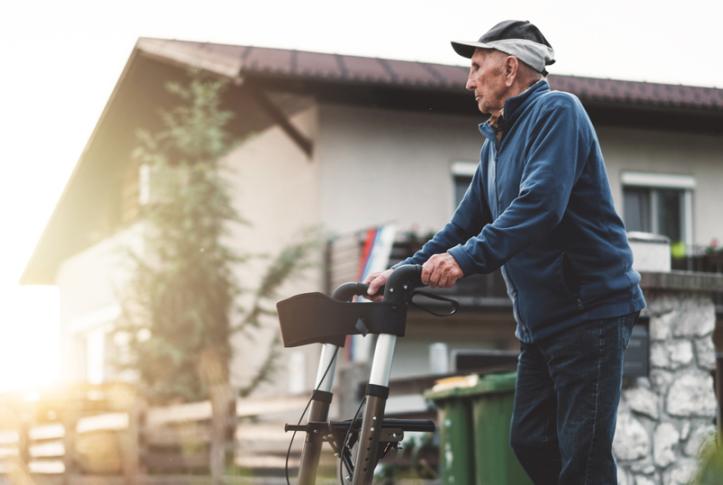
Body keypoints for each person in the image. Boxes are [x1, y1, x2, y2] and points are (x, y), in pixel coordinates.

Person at [365, 20, 645, 485]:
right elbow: (463, 224)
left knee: (585, 458)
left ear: (510, 68)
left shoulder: (558, 113)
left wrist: (464, 260)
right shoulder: (495, 143)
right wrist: (406, 270)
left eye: (477, 67)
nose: (468, 80)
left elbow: (540, 207)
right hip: (542, 324)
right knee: (529, 440)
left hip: (589, 311)